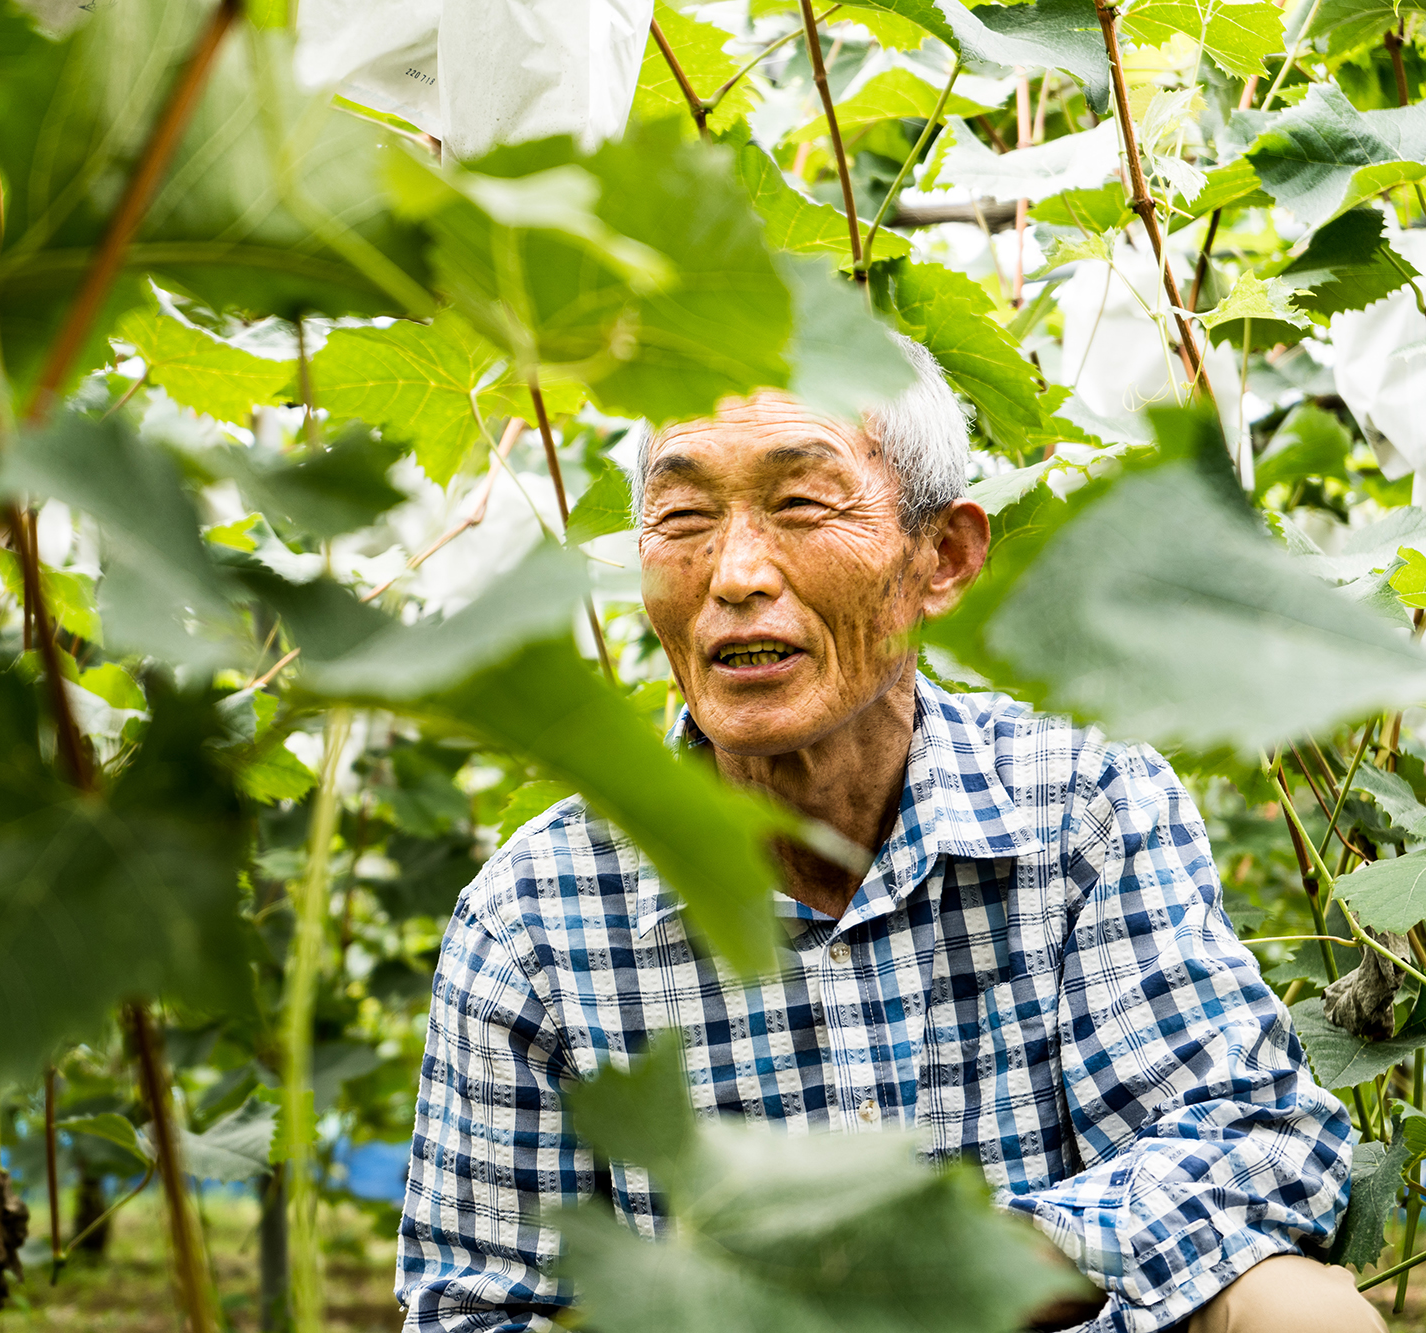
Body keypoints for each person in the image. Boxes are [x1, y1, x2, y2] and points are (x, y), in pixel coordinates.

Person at [394, 340, 1375, 1333]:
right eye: (682, 518)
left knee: (1297, 1310)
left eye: (801, 506)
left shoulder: (1082, 807)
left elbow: (1259, 1141)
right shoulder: (535, 915)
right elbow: (473, 1308)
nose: (733, 573)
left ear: (938, 559)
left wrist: (970, 1261)